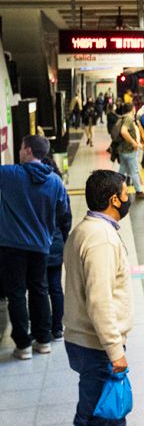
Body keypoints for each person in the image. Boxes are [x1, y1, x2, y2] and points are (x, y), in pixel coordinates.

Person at [26, 170, 144, 426]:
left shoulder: (87, 230)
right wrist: (115, 350)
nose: (128, 197)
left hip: (86, 340)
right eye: (125, 192)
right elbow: (99, 301)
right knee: (88, 425)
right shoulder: (99, 240)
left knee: (113, 413)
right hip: (97, 345)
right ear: (114, 198)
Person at [0, 135, 70, 359]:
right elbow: (63, 214)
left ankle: (23, 346)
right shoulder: (55, 182)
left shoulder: (9, 175)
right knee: (40, 290)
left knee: (17, 294)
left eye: (21, 148)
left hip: (11, 247)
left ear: (28, 150)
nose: (19, 152)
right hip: (41, 246)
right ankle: (43, 340)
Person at [42, 155, 73, 340]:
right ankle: (58, 328)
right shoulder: (58, 187)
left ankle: (43, 327)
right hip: (55, 242)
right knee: (55, 286)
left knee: (40, 288)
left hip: (37, 246)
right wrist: (63, 236)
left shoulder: (29, 190)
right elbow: (66, 217)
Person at [115, 104, 144, 200]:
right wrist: (133, 142)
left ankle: (116, 188)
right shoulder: (128, 119)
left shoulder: (123, 118)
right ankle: (139, 191)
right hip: (129, 150)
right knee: (134, 171)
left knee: (122, 170)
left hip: (122, 150)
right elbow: (123, 131)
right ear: (132, 109)